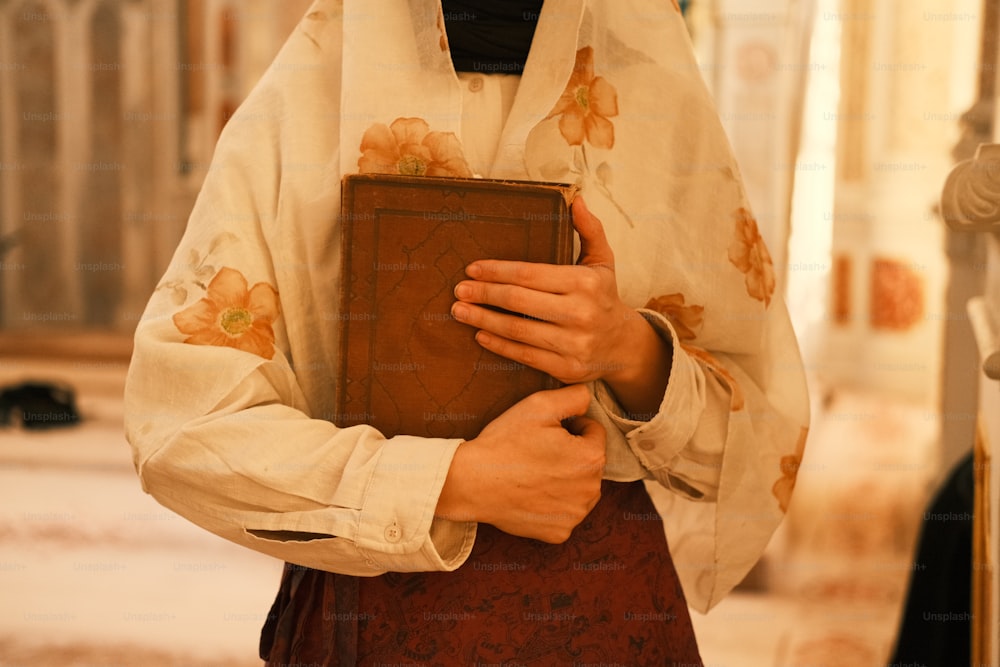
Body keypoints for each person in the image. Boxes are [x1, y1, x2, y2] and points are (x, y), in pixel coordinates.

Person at [124, 1, 811, 664]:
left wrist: (630, 349)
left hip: (603, 612)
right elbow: (182, 426)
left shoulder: (647, 98)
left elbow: (758, 442)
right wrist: (452, 481)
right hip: (373, 615)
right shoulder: (312, 93)